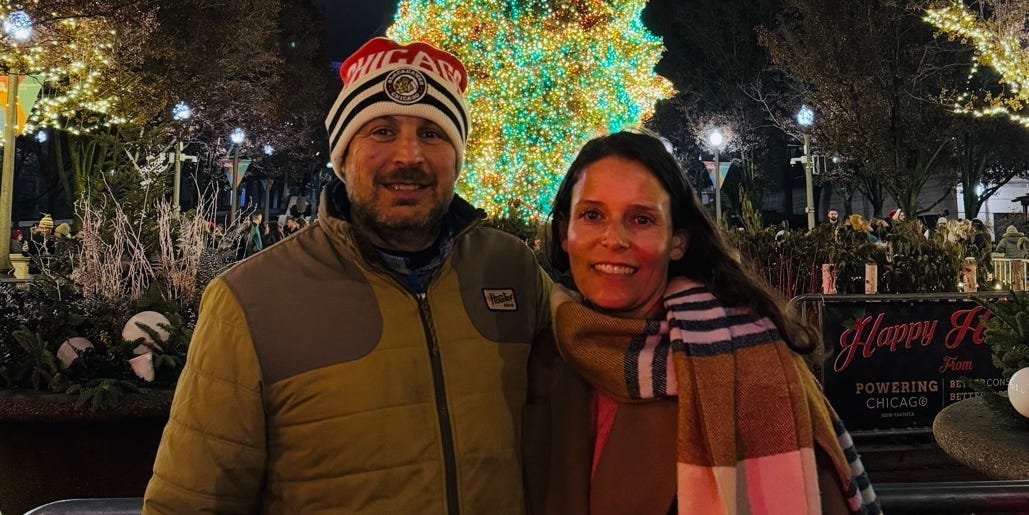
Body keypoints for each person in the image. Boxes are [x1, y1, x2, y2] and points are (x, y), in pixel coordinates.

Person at [143, 37, 552, 514]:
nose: (409, 156)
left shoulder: (512, 269)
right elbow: (189, 502)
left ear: (457, 157)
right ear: (343, 156)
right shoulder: (250, 300)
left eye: (432, 133)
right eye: (382, 131)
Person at [525, 131, 880, 514]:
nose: (614, 239)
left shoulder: (753, 362)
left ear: (677, 241)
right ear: (564, 232)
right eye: (592, 215)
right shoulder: (546, 354)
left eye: (642, 219)